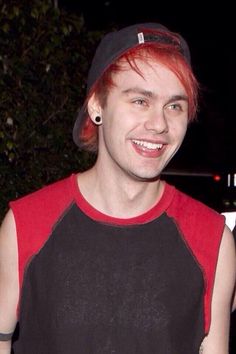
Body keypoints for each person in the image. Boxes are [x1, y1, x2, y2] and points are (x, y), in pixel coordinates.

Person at [0, 22, 235, 354]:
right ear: (97, 105)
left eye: (175, 106)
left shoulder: (212, 239)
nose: (159, 124)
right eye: (140, 100)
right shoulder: (26, 225)